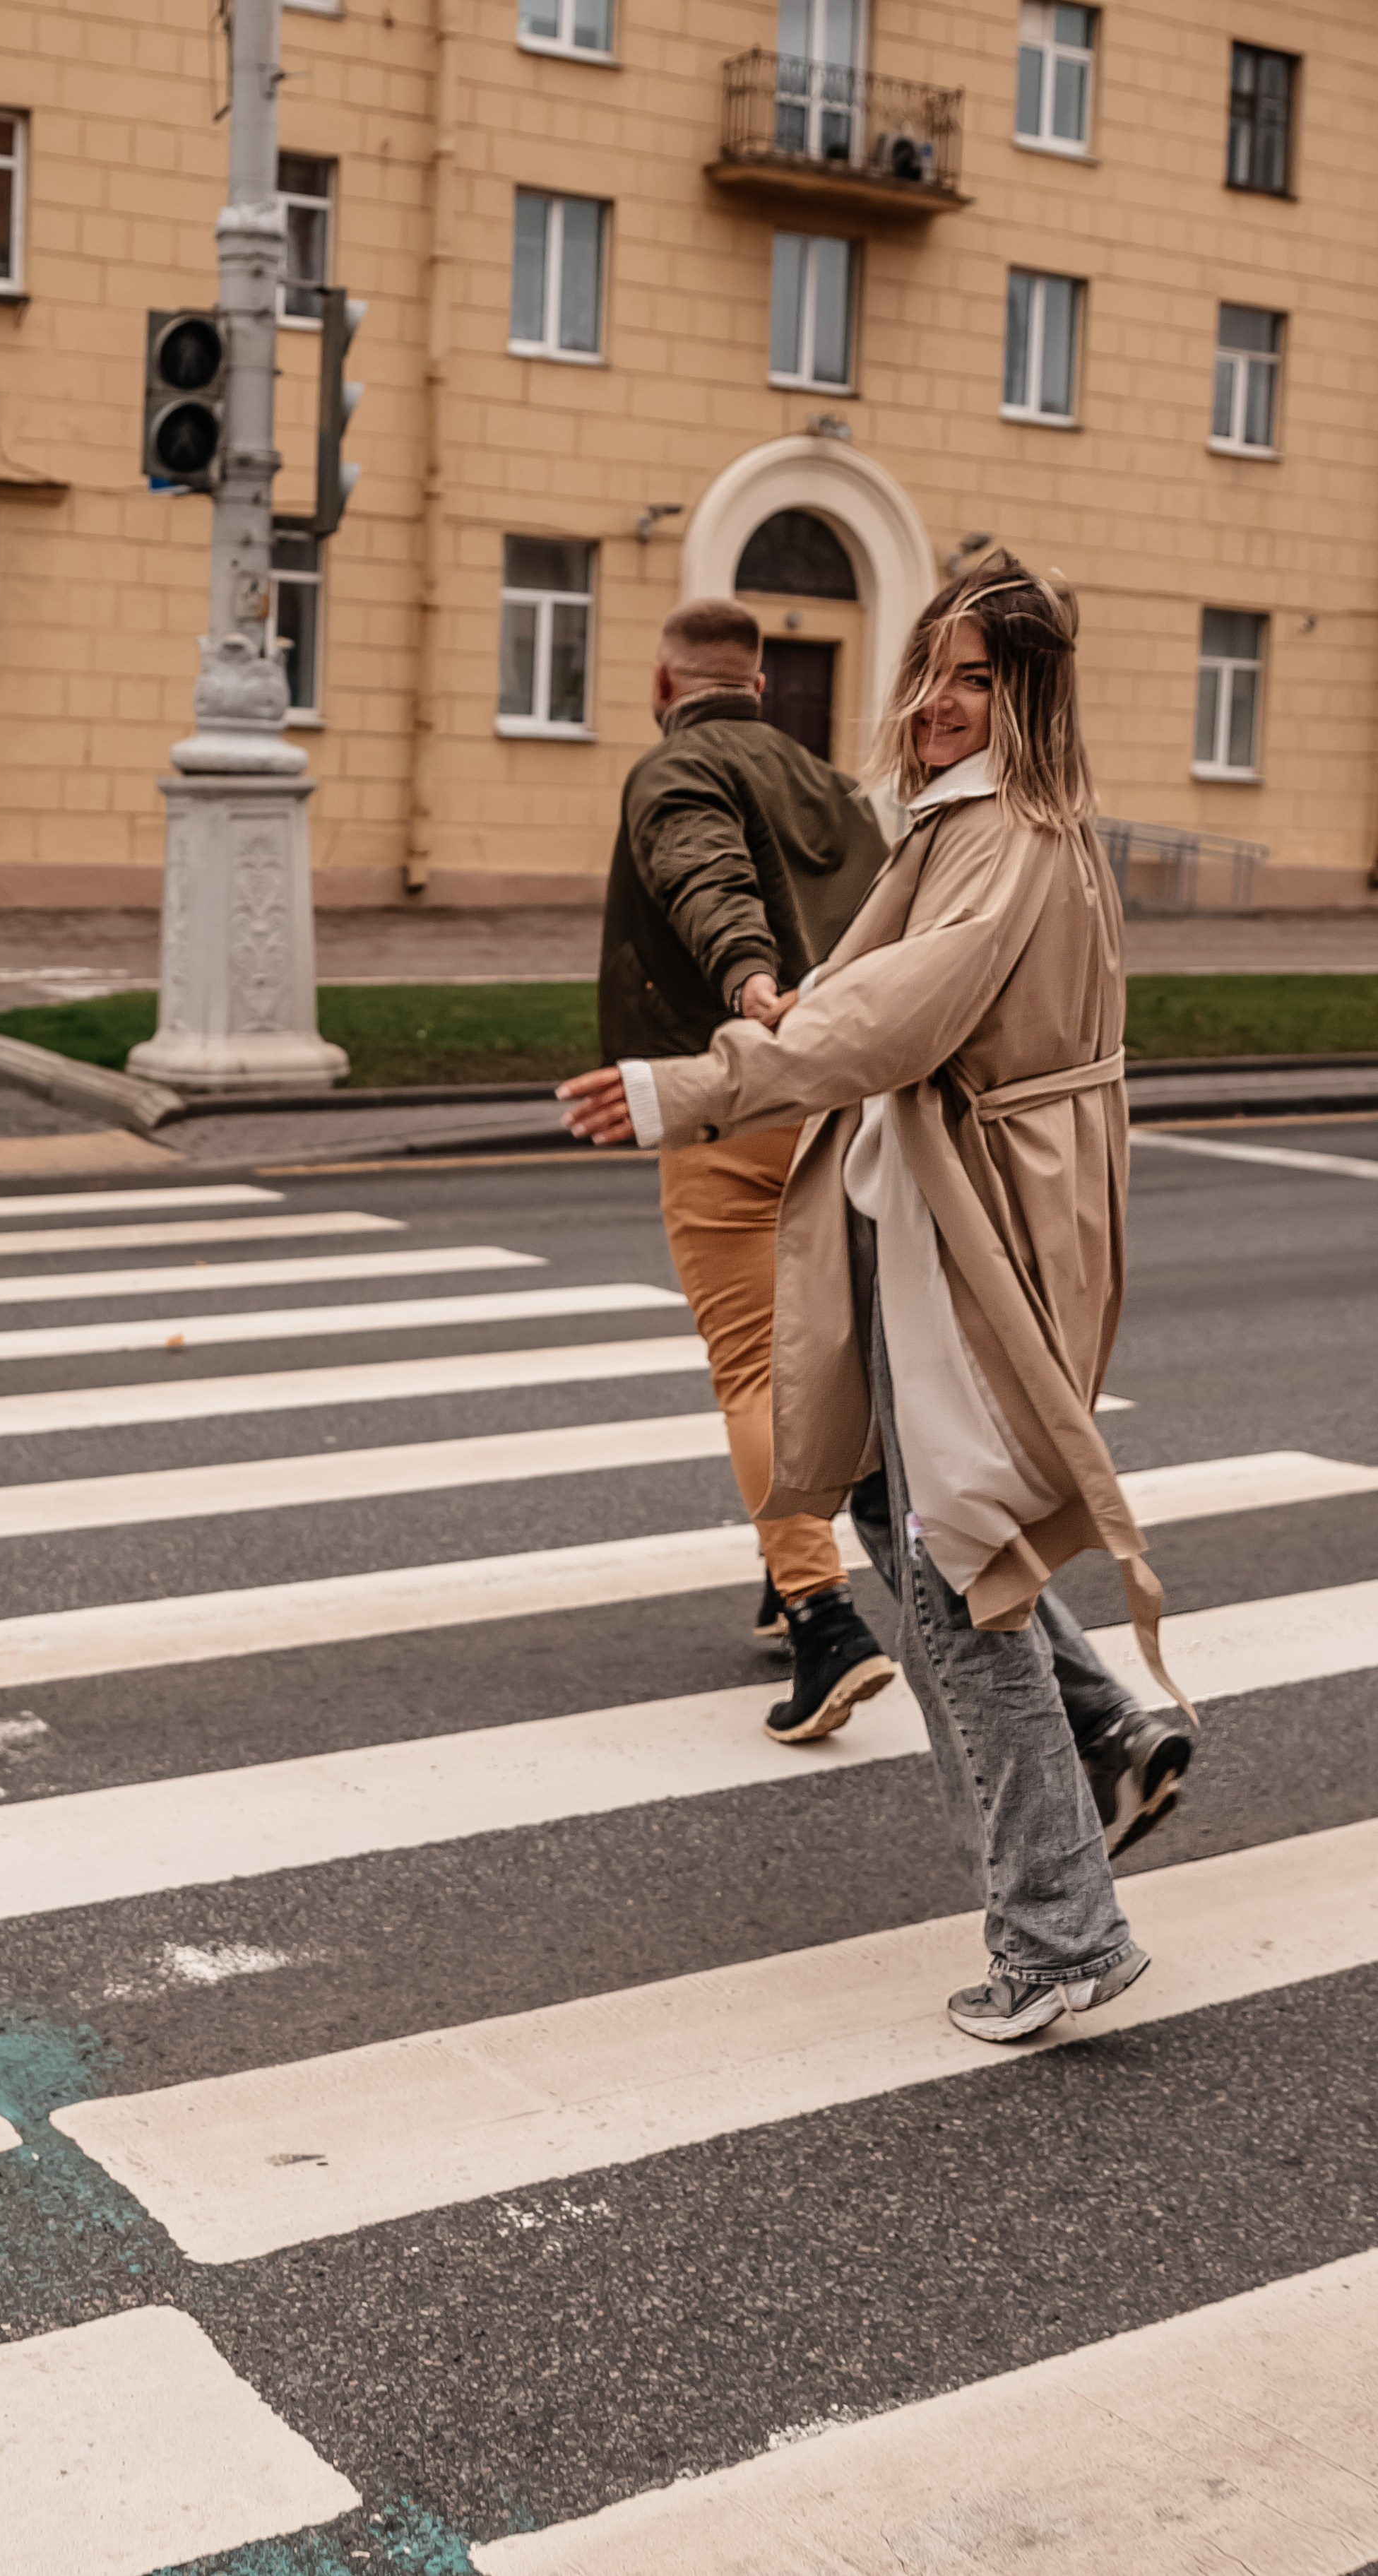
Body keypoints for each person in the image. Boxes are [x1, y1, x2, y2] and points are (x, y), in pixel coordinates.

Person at [562, 553, 1198, 2043]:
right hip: (938, 1206)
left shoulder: (1009, 837)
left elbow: (905, 1009)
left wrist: (694, 1079)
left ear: (1026, 693)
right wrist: (796, 1008)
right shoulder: (960, 821)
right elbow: (869, 982)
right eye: (926, 667)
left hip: (980, 1221)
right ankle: (1107, 1744)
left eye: (972, 676)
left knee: (946, 1571)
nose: (932, 698)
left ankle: (1060, 1930)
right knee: (908, 1518)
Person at [600, 595, 898, 1741]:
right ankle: (786, 1577)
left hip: (731, 1094)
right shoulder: (827, 788)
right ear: (761, 685)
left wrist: (747, 981)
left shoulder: (672, 769)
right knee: (829, 1345)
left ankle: (826, 1619)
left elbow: (699, 871)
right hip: (845, 1102)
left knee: (753, 1364)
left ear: (664, 686)